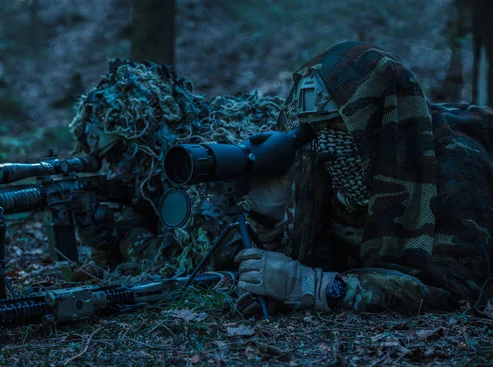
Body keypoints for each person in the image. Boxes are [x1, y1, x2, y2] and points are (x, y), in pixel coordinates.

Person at [235, 41, 493, 316]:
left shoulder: (457, 163)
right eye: (317, 129)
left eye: (339, 124)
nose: (328, 142)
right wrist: (269, 225)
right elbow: (317, 260)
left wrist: (314, 287)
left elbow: (458, 294)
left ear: (378, 120)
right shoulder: (330, 161)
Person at [69, 59, 282, 276]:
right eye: (110, 160)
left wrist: (126, 238)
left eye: (119, 152)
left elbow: (193, 264)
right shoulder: (148, 180)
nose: (119, 170)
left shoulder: (197, 167)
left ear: (144, 138)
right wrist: (103, 241)